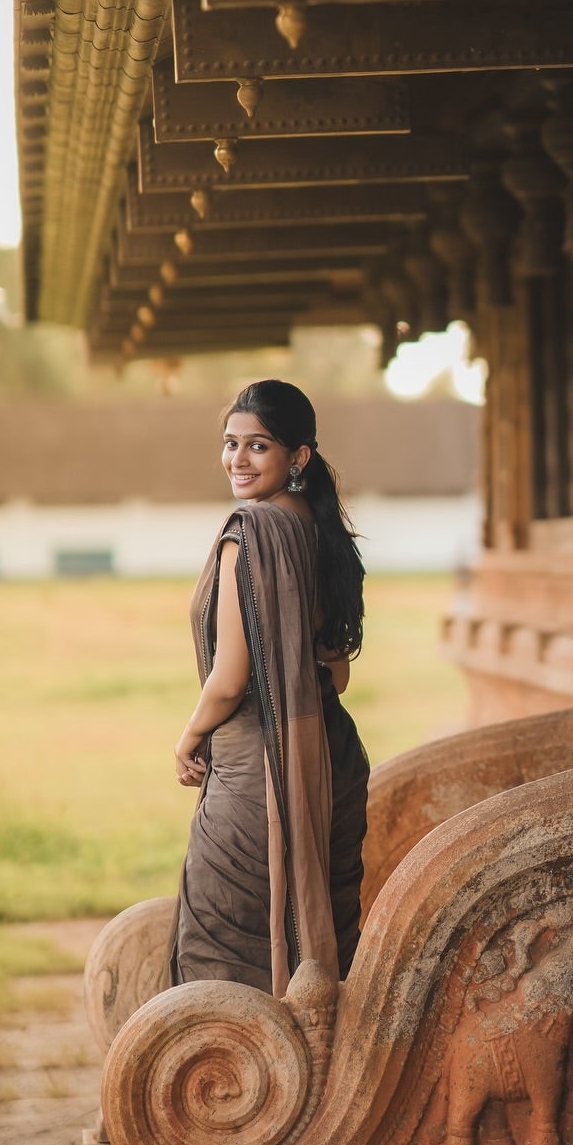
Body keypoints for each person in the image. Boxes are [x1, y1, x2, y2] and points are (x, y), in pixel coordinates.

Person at [169, 380, 369, 997]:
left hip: (259, 772)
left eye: (258, 446)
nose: (238, 459)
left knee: (223, 958)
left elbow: (230, 679)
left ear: (297, 457)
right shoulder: (322, 532)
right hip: (331, 763)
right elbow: (335, 672)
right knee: (321, 954)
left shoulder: (250, 532)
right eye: (231, 444)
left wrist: (189, 734)